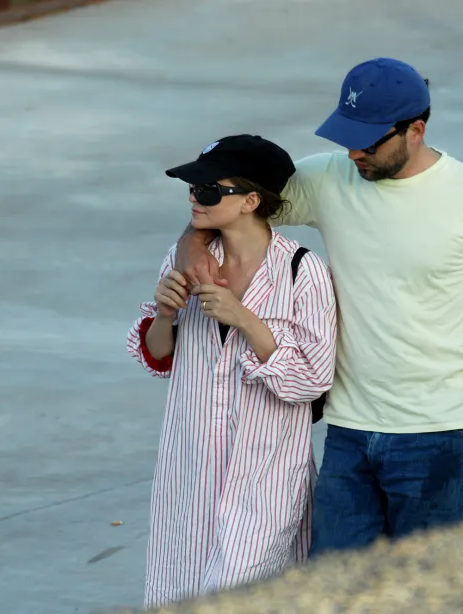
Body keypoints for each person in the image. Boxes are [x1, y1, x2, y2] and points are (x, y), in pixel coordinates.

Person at [172, 58, 463, 556]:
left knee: (430, 593)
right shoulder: (328, 178)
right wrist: (191, 250)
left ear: (416, 130)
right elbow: (225, 204)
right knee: (335, 592)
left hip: (444, 433)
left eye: (368, 140)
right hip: (349, 431)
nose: (354, 151)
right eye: (347, 137)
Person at [126, 134, 337, 606]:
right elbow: (159, 359)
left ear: (251, 200)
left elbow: (312, 378)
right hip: (190, 474)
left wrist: (243, 318)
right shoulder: (187, 260)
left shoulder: (304, 273)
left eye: (206, 190)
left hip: (266, 480)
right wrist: (163, 315)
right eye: (192, 189)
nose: (193, 200)